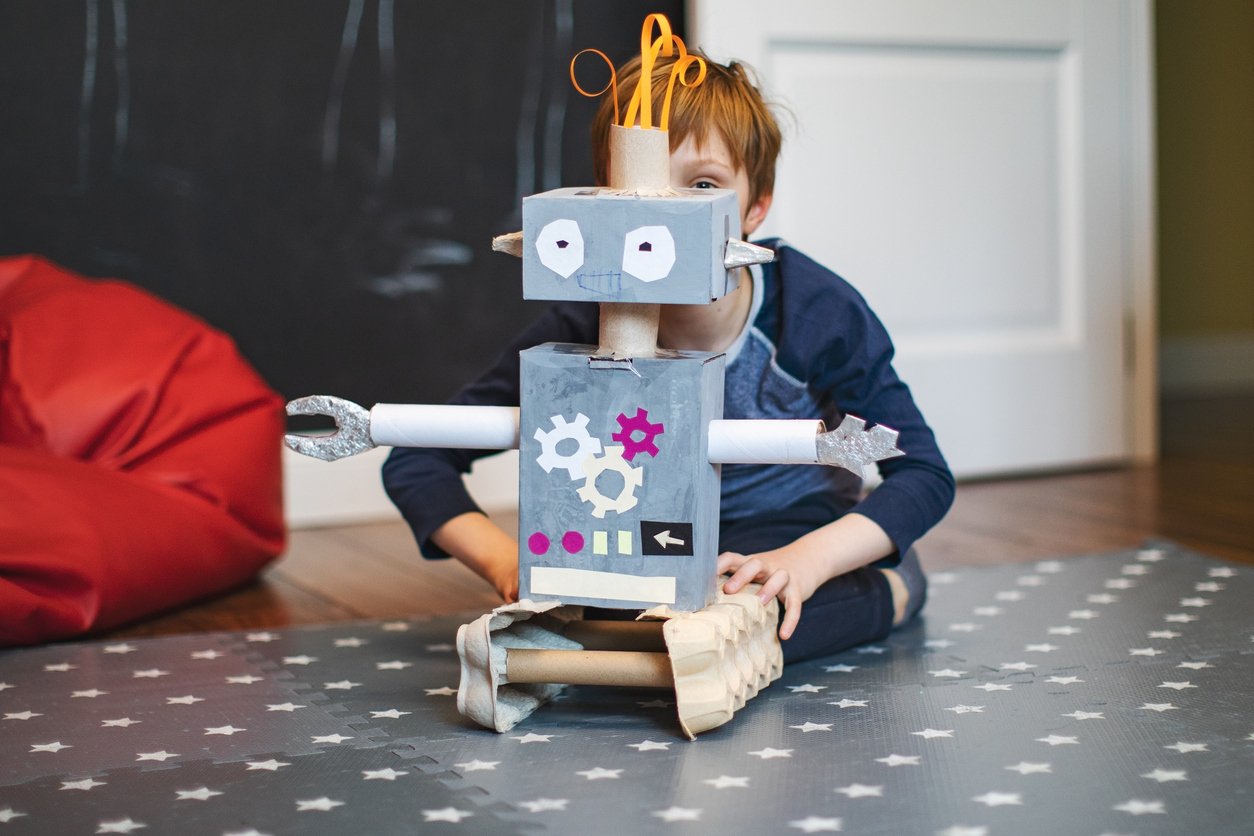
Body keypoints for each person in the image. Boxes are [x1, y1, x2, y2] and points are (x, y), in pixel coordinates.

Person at [384, 52, 954, 662]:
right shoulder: (580, 324)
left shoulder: (814, 312)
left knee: (766, 614)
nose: (666, 212)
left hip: (788, 523)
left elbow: (922, 473)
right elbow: (417, 460)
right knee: (607, 628)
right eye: (640, 185)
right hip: (644, 532)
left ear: (755, 209)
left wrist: (807, 560)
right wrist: (508, 564)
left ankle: (891, 587)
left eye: (703, 185)